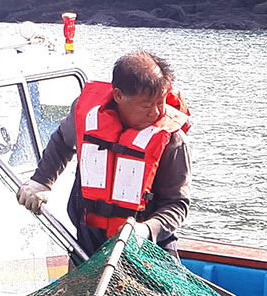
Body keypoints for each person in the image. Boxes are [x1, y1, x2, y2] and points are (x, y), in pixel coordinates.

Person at [17, 51, 191, 256]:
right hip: (89, 240)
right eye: (146, 105)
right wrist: (41, 181)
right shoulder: (88, 116)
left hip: (147, 246)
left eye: (160, 102)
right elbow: (62, 142)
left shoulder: (172, 139)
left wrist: (146, 230)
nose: (156, 112)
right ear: (118, 95)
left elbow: (177, 204)